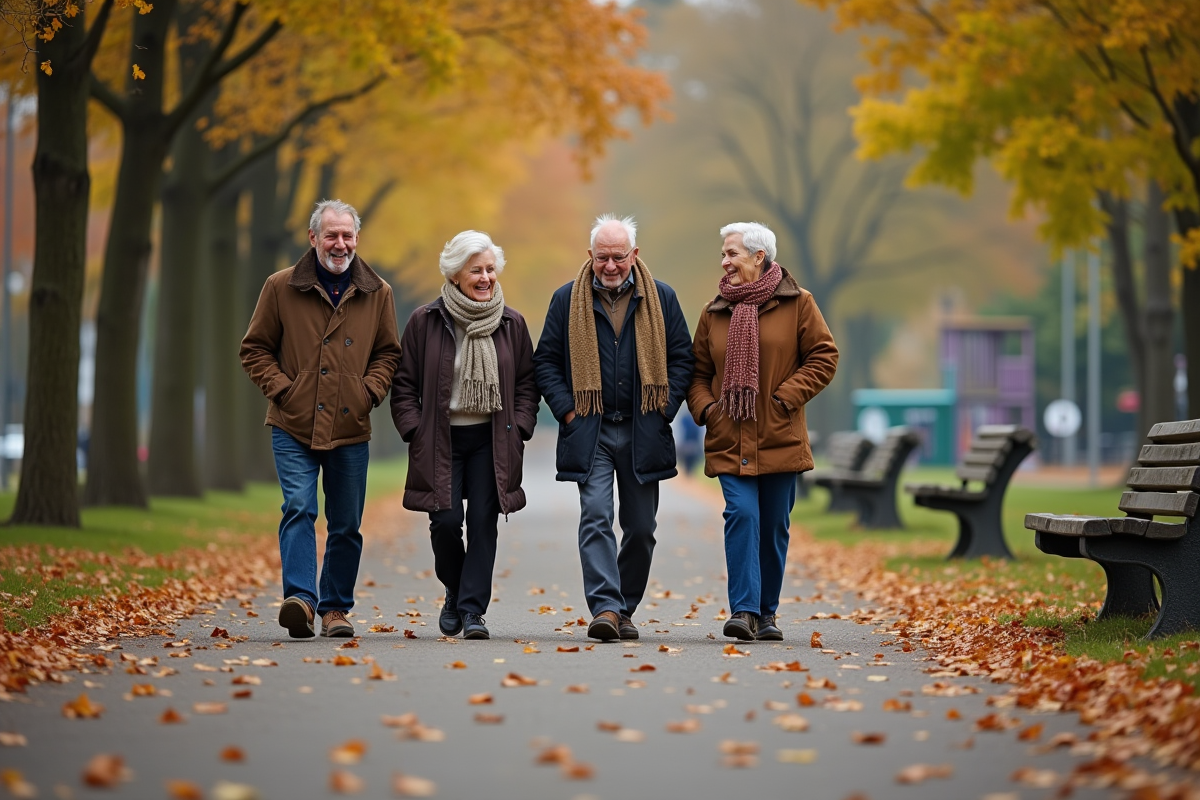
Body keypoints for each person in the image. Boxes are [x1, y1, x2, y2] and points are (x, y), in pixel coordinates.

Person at [240, 199, 401, 639]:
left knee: (346, 523)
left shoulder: (378, 292)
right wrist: (284, 390)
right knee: (299, 507)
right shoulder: (280, 286)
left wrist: (368, 392)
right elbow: (254, 349)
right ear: (313, 238)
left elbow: (389, 353)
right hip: (292, 423)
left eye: (347, 235)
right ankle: (301, 602)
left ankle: (334, 610)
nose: (340, 243)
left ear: (357, 239)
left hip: (351, 426)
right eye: (331, 235)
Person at [533, 214, 694, 642]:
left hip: (644, 428)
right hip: (592, 431)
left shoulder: (662, 298)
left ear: (634, 255)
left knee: (641, 529)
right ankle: (605, 606)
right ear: (590, 255)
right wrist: (568, 410)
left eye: (619, 257)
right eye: (602, 257)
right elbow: (545, 361)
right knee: (597, 516)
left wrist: (664, 408)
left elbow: (682, 359)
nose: (610, 265)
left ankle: (624, 607)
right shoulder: (567, 300)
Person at [688, 222, 838, 641]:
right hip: (729, 437)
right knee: (742, 514)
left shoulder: (799, 303)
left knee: (773, 526)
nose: (724, 261)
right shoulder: (714, 310)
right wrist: (709, 410)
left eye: (732, 253)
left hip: (779, 435)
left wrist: (785, 398)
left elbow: (824, 357)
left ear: (759, 257)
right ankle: (744, 611)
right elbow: (697, 373)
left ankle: (766, 613)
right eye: (723, 253)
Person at [391, 231, 539, 640]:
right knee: (445, 523)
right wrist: (414, 430)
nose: (486, 278)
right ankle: (455, 592)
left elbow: (527, 384)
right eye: (476, 270)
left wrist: (521, 427)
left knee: (482, 524)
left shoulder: (511, 323)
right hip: (441, 442)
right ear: (455, 274)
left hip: (492, 442)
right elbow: (403, 385)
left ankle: (473, 611)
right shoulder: (425, 321)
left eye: (491, 269)